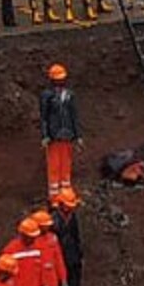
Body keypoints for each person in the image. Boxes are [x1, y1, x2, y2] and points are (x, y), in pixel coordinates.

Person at [40, 63, 81, 198]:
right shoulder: (47, 95)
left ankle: (66, 190)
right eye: (57, 80)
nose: (59, 82)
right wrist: (45, 135)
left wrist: (78, 135)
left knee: (66, 163)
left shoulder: (69, 95)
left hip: (67, 135)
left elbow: (74, 115)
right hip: (54, 136)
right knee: (54, 165)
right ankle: (54, 195)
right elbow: (44, 117)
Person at [51, 188, 86, 286]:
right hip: (60, 260)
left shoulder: (72, 217)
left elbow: (76, 236)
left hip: (73, 257)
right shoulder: (54, 220)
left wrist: (79, 253)